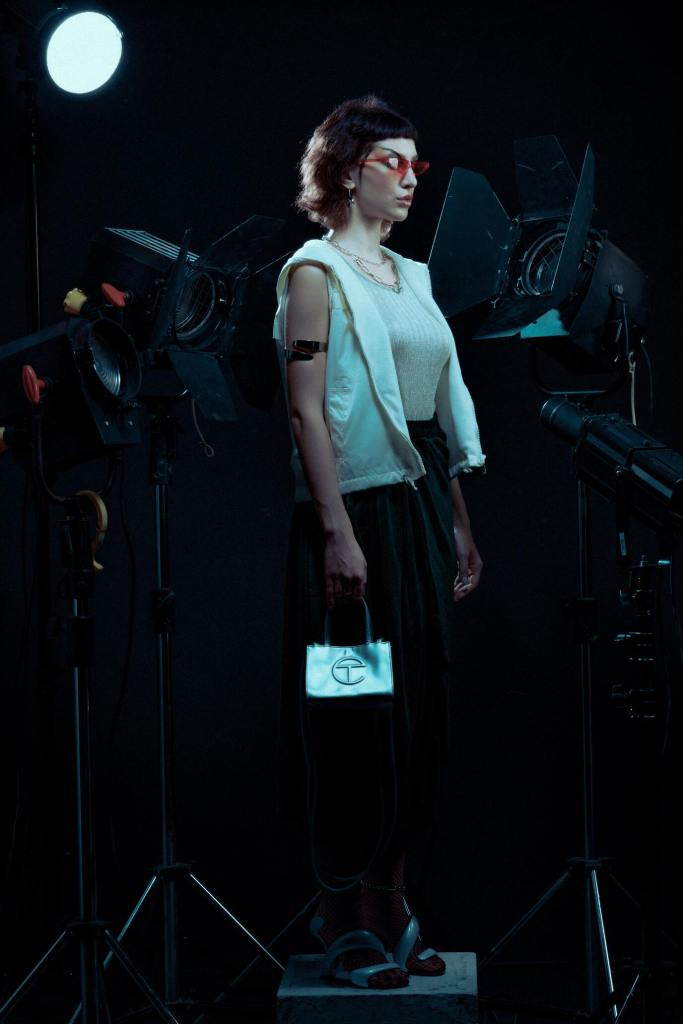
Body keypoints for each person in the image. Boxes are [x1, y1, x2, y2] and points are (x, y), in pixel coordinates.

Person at [273, 94, 485, 990]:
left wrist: (458, 521)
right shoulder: (313, 274)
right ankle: (341, 912)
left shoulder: (414, 278)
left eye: (414, 164)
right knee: (353, 712)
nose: (408, 178)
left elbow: (433, 412)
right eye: (389, 161)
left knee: (419, 710)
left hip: (419, 513)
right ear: (343, 170)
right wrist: (337, 533)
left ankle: (389, 900)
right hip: (352, 518)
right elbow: (304, 410)